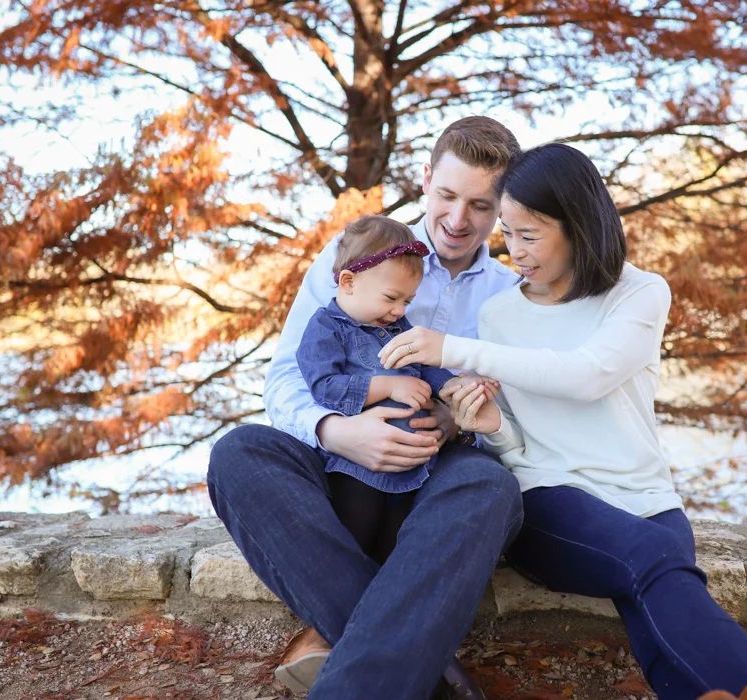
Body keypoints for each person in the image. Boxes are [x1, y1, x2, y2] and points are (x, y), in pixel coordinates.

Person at [380, 143, 747, 700]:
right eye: (507, 234)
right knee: (655, 561)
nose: (515, 252)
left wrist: (452, 348)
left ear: (578, 225)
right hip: (550, 499)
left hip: (648, 499)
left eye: (529, 235)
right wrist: (490, 423)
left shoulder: (639, 293)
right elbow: (514, 440)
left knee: (655, 607)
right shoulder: (499, 314)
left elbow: (587, 375)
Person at [207, 116, 523, 700]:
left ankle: (336, 641)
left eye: (480, 205)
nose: (458, 220)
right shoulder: (355, 255)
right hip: (341, 463)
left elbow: (518, 414)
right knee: (238, 453)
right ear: (426, 179)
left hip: (437, 463)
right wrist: (337, 430)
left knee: (491, 490)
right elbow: (286, 378)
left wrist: (459, 421)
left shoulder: (510, 294)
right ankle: (429, 673)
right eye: (448, 195)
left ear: (503, 205)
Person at [296, 215, 460, 563]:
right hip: (358, 469)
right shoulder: (327, 328)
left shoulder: (399, 325)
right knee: (356, 541)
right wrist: (387, 384)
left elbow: (427, 364)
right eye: (391, 298)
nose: (399, 310)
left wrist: (453, 389)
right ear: (349, 282)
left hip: (414, 467)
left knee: (395, 546)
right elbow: (324, 386)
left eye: (407, 301)